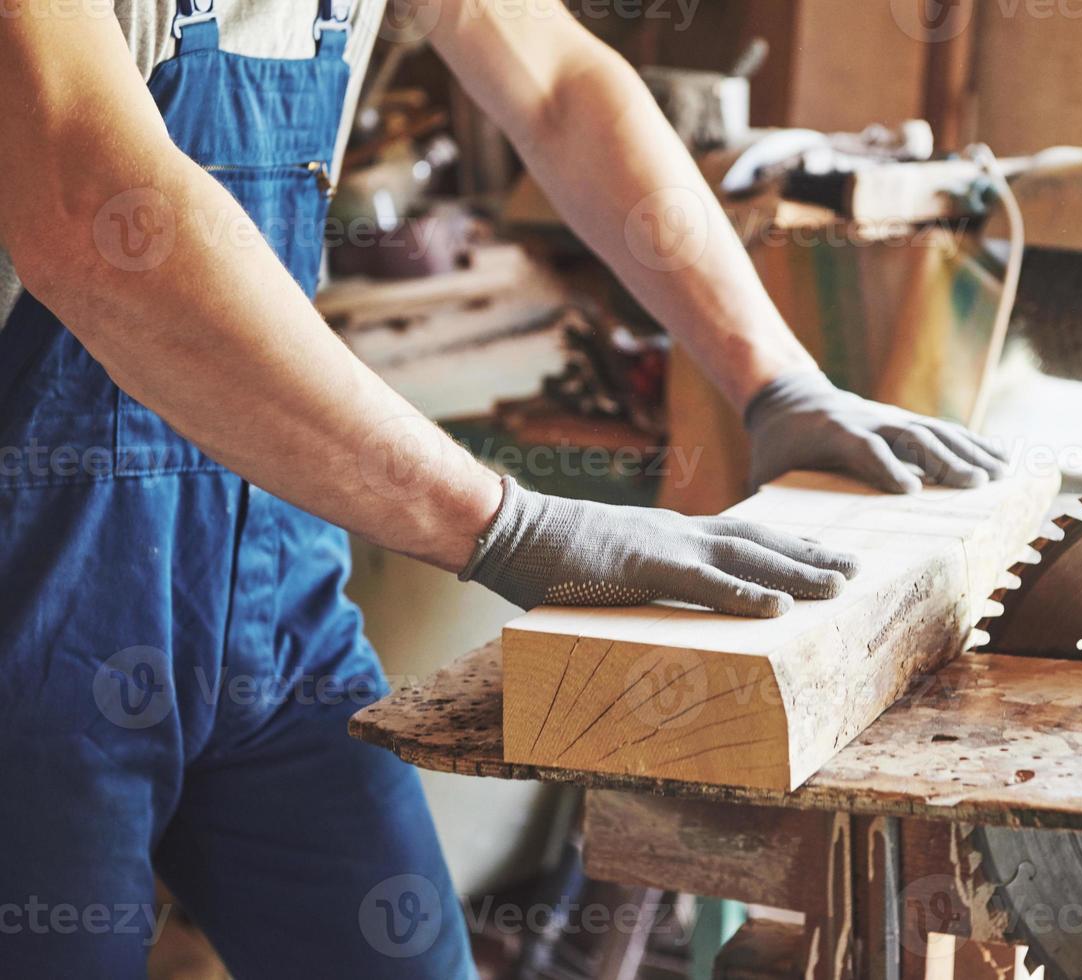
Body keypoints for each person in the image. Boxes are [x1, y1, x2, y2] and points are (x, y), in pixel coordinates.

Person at [0, 0, 1006, 974]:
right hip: (26, 613)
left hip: (267, 588)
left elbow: (560, 85)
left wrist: (774, 378)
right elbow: (94, 214)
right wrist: (507, 525)